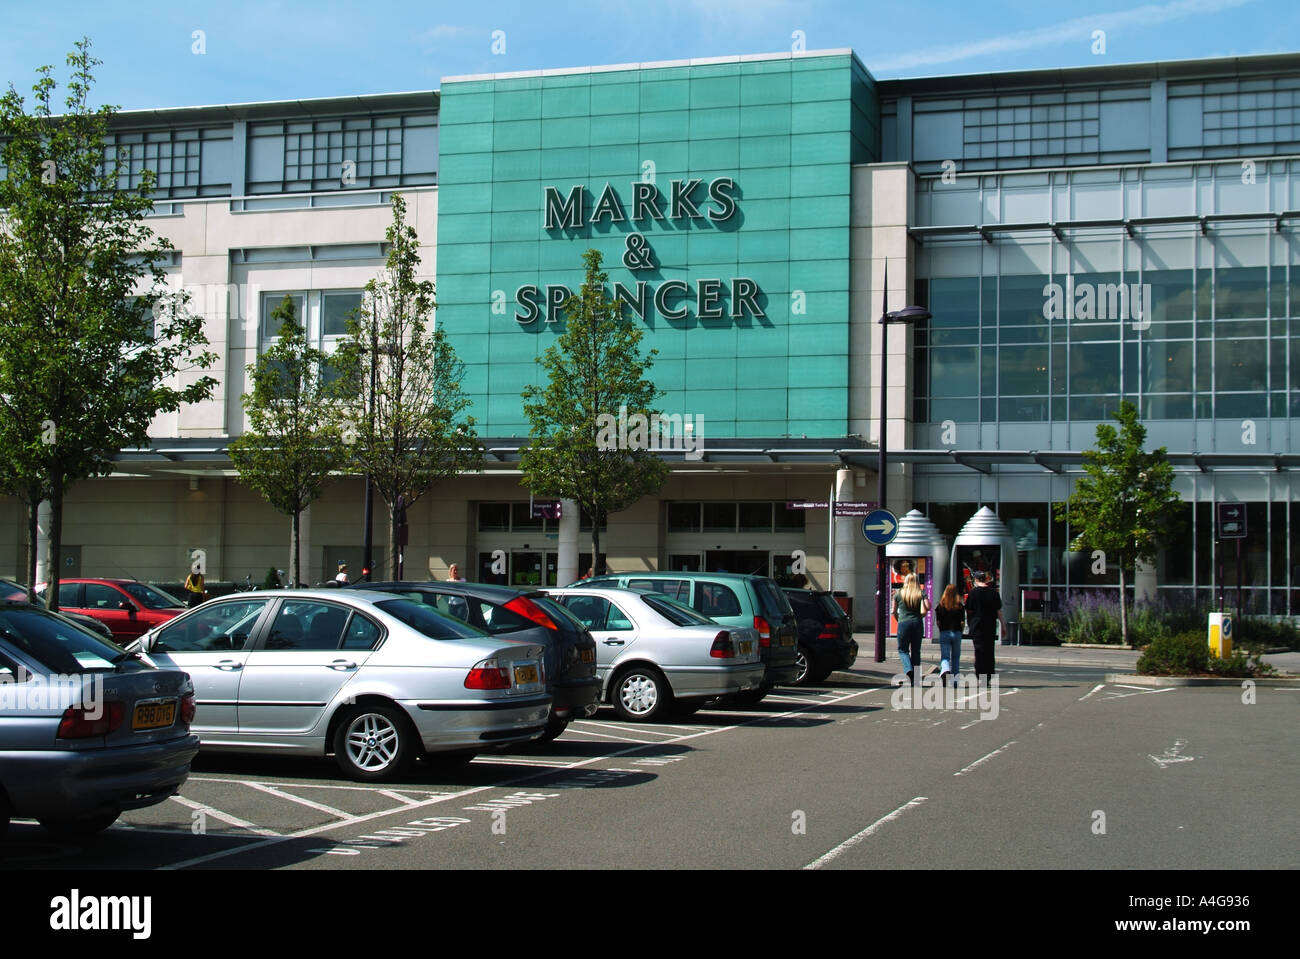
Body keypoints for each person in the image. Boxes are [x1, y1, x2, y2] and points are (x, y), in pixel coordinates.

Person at [965, 569, 1006, 686]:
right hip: (990, 625)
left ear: (976, 579)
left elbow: (969, 609)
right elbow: (999, 611)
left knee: (979, 651)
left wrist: (969, 623)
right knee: (989, 651)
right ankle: (988, 675)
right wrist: (1003, 625)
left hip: (977, 625)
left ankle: (980, 675)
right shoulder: (994, 593)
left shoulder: (973, 593)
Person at [892, 572, 929, 685]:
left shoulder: (898, 594)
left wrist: (899, 619)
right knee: (916, 651)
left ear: (906, 581)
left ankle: (908, 670)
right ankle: (916, 677)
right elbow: (928, 607)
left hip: (903, 623)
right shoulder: (921, 593)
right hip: (917, 623)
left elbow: (893, 611)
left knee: (903, 650)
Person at [935, 583, 965, 687]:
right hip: (956, 632)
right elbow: (962, 622)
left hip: (944, 632)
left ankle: (945, 670)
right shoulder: (960, 606)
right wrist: (961, 630)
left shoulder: (940, 606)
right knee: (956, 657)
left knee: (945, 656)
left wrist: (941, 629)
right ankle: (955, 681)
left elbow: (938, 622)